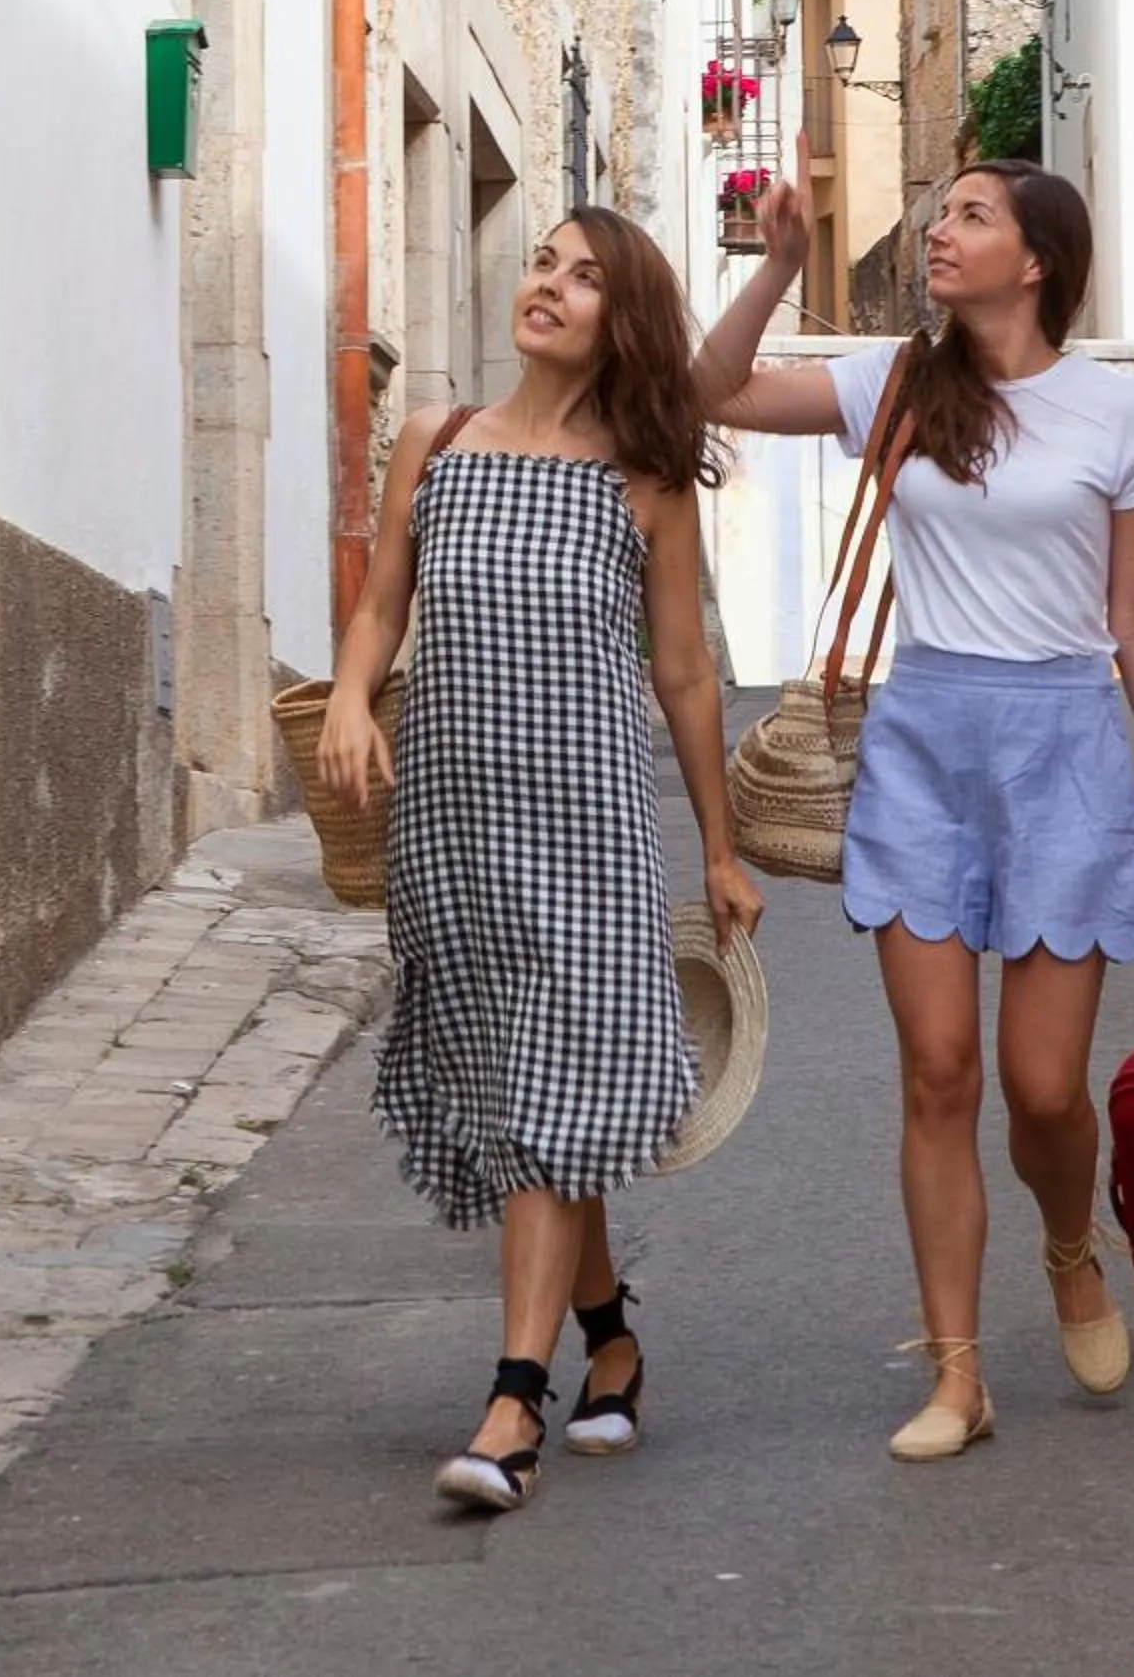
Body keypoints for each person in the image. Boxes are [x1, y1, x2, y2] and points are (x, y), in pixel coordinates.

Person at [695, 147, 1134, 1462]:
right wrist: (777, 264)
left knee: (1043, 1089)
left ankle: (1066, 1244)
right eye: (942, 215)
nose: (941, 232)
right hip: (922, 741)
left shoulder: (1118, 417)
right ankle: (956, 1374)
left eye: (971, 217)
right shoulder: (895, 381)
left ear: (1036, 259)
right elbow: (705, 390)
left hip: (1062, 750)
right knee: (938, 1072)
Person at [316, 205, 762, 1515]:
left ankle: (515, 1397)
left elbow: (681, 673)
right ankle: (611, 1331)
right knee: (524, 1099)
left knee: (556, 1089)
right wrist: (349, 697)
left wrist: (720, 847)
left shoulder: (645, 482)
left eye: (583, 276)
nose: (548, 287)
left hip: (588, 830)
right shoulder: (436, 443)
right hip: (448, 825)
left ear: (621, 322)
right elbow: (383, 601)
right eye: (541, 263)